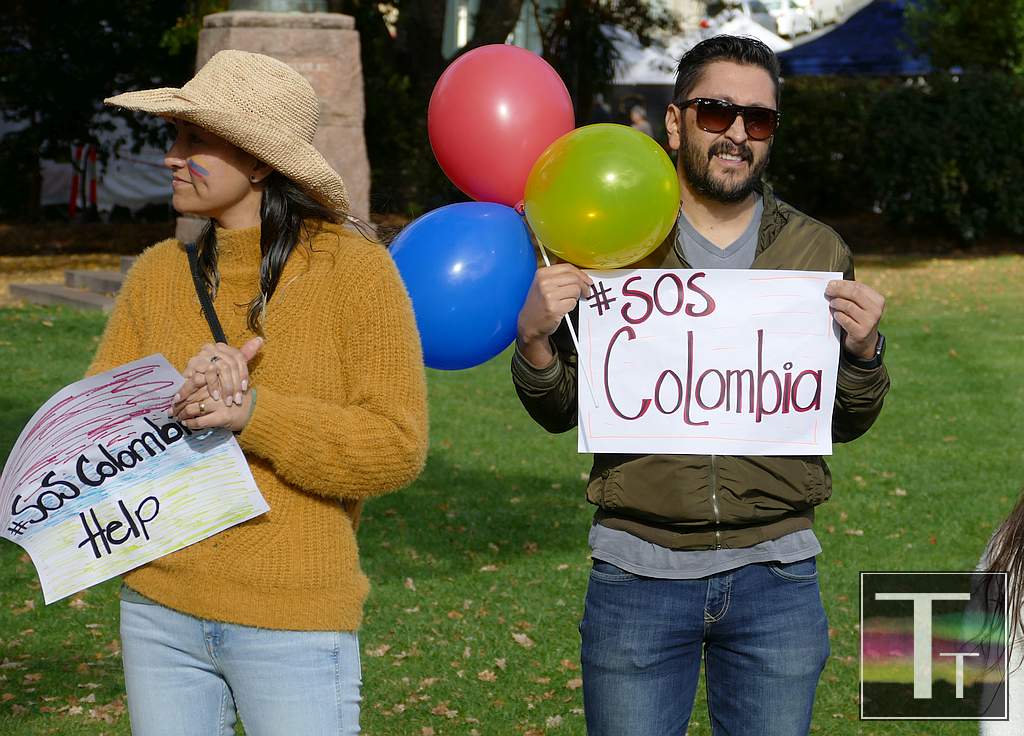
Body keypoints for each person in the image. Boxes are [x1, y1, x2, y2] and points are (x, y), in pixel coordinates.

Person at [511, 35, 889, 735]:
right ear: (675, 120)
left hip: (778, 575)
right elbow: (562, 409)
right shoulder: (610, 240)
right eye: (716, 114)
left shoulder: (818, 251)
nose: (738, 134)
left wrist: (865, 354)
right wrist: (535, 339)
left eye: (759, 119)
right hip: (636, 575)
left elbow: (839, 419)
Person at [92, 50, 429, 735]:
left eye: (194, 139)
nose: (171, 157)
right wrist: (176, 400)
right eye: (175, 137)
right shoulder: (159, 273)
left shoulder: (356, 273)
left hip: (294, 620)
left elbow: (396, 447)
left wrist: (253, 414)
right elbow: (99, 431)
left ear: (257, 161)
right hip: (158, 610)